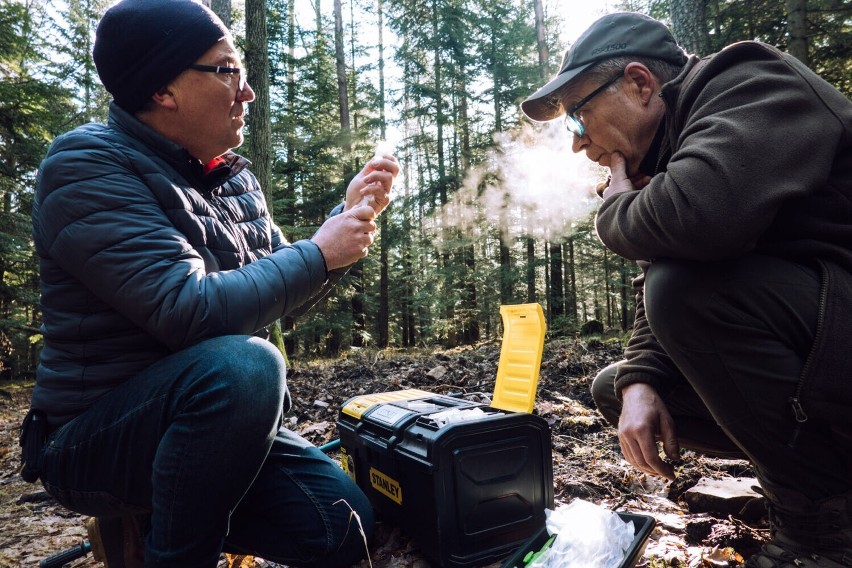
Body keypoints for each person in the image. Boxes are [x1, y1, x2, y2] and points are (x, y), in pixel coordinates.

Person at [20, 0, 399, 566]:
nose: (247, 92)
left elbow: (277, 297)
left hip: (210, 426)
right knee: (245, 365)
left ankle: (150, 528)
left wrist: (337, 233)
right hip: (96, 440)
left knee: (342, 529)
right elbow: (188, 311)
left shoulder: (229, 177)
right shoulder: (86, 165)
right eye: (228, 71)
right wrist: (320, 253)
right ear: (162, 90)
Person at [521, 11, 852, 568]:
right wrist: (642, 377)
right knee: (624, 391)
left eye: (579, 117)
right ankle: (822, 483)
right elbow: (674, 257)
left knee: (684, 289)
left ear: (640, 83)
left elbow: (698, 221)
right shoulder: (678, 143)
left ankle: (822, 536)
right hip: (827, 337)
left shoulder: (750, 81)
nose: (579, 145)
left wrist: (615, 213)